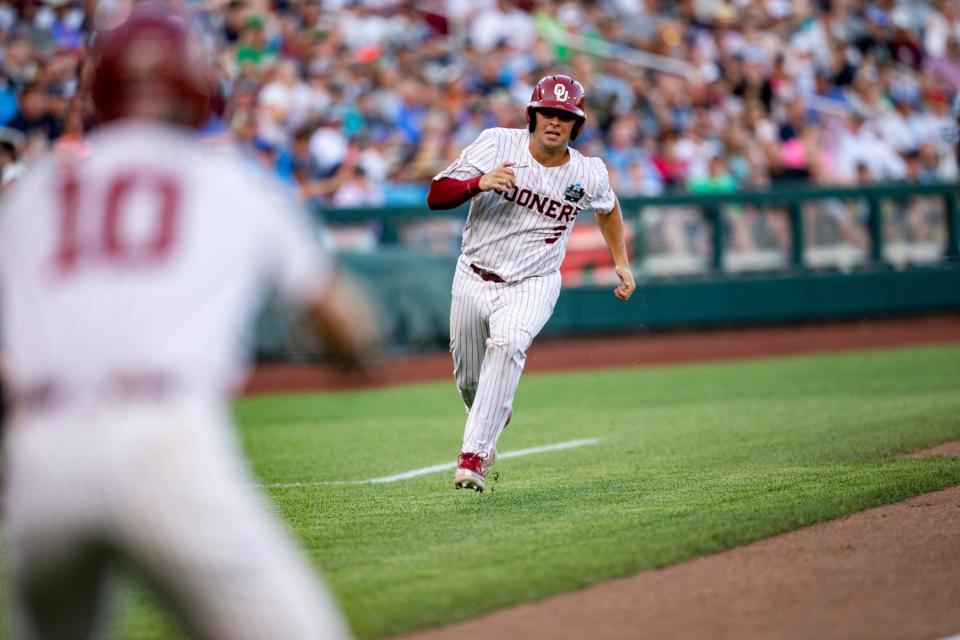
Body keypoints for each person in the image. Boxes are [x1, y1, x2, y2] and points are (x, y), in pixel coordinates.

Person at [0, 9, 380, 639]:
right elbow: (345, 324)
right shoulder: (233, 184)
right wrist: (354, 356)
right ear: (198, 89)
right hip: (162, 439)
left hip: (40, 456)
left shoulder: (31, 194)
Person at [426, 74, 636, 492]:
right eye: (547, 113)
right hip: (474, 274)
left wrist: (621, 261)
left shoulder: (587, 172)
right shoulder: (497, 144)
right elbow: (436, 196)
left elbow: (608, 209)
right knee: (470, 381)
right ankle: (490, 411)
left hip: (534, 281)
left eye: (564, 115)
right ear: (532, 116)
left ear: (576, 125)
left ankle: (474, 457)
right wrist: (477, 182)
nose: (554, 121)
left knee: (508, 344)